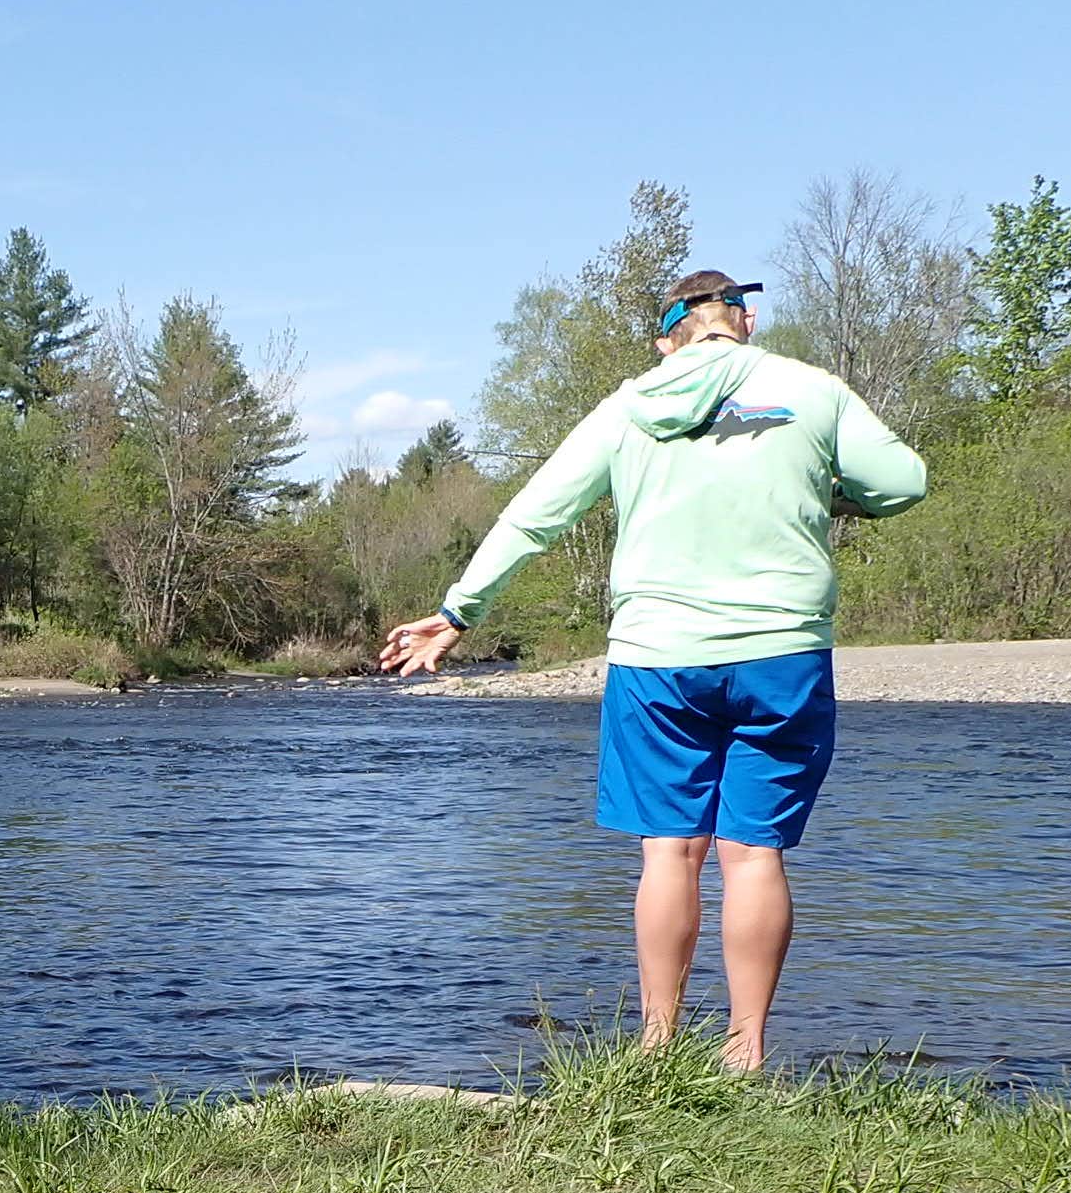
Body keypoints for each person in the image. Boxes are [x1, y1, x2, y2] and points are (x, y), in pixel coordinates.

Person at [379, 269, 929, 1072]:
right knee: (754, 853)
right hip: (781, 649)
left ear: (668, 338)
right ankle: (746, 1053)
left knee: (669, 852)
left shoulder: (628, 407)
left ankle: (657, 1045)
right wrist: (833, 493)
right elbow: (904, 483)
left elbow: (536, 513)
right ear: (740, 322)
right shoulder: (812, 390)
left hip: (656, 658)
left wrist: (459, 611)